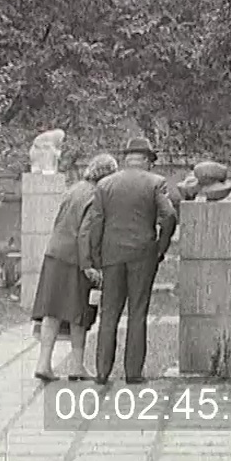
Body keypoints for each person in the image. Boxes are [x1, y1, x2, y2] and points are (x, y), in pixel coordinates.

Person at [80, 137, 177, 385]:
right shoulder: (156, 183)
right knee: (138, 312)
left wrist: (96, 256)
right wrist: (160, 247)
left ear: (127, 159)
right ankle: (133, 373)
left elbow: (96, 223)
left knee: (109, 313)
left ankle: (102, 372)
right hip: (143, 255)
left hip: (111, 255)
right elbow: (169, 215)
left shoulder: (105, 185)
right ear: (145, 160)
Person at [31, 153, 119, 382]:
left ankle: (43, 363)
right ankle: (77, 366)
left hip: (54, 253)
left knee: (52, 311)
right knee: (79, 313)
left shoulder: (74, 189)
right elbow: (85, 233)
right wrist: (88, 265)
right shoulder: (96, 195)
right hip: (76, 258)